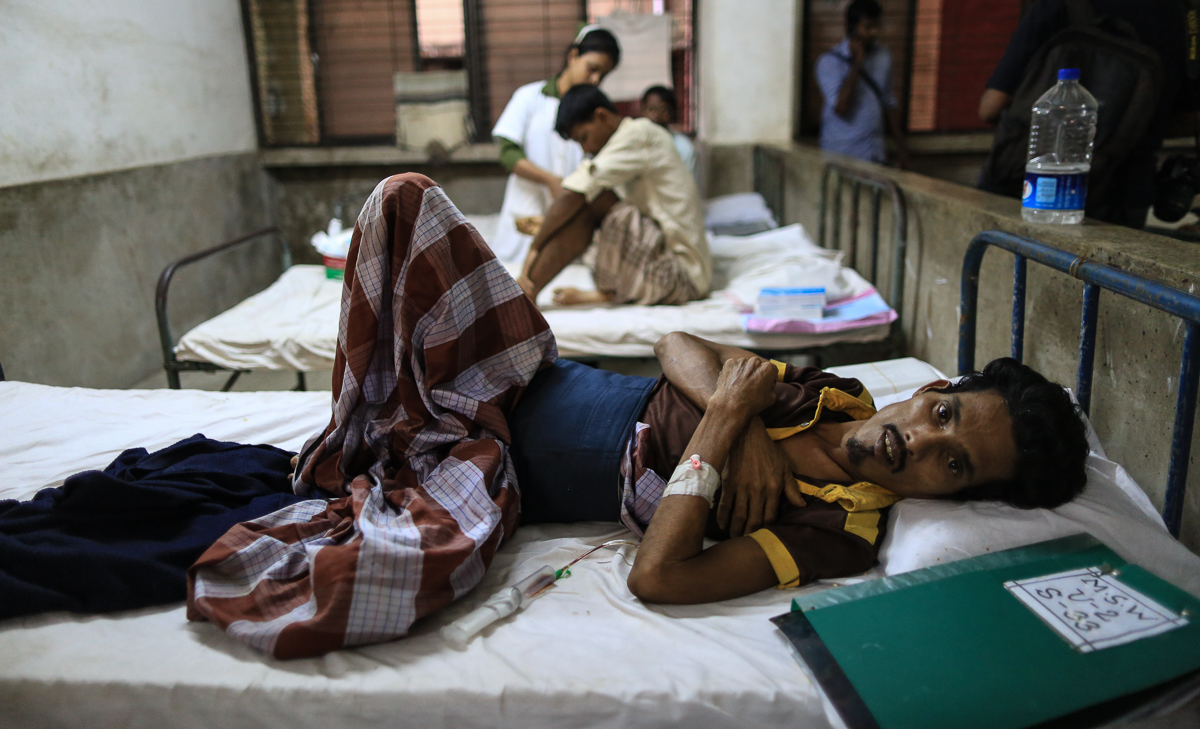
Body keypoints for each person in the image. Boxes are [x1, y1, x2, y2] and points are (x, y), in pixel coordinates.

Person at [187, 172, 1090, 658]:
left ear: (958, 497)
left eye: (952, 463)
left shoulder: (839, 530)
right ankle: (378, 413)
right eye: (941, 412)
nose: (919, 439)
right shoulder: (839, 394)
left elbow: (659, 576)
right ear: (925, 391)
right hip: (524, 376)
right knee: (404, 201)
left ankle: (394, 431)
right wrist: (732, 405)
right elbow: (675, 347)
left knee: (347, 583)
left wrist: (726, 423)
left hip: (496, 464)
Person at [979, 0, 1199, 228]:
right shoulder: (1182, 16)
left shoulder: (1058, 5)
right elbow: (1185, 119)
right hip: (1125, 197)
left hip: (1034, 190)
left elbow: (991, 107)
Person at [515, 85, 711, 308]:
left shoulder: (639, 134)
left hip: (680, 278)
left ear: (602, 116)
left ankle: (524, 295)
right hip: (665, 269)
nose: (585, 148)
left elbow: (575, 192)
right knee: (588, 201)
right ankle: (527, 293)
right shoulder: (628, 146)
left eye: (584, 137)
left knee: (590, 197)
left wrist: (535, 247)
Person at [490, 26, 622, 262]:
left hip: (569, 217)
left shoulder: (597, 114)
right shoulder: (530, 97)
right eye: (592, 69)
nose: (595, 80)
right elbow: (508, 154)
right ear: (573, 56)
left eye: (603, 76)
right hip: (526, 211)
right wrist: (551, 180)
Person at [816, 0, 910, 168]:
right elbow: (841, 108)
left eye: (877, 26)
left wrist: (902, 149)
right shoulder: (829, 62)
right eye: (868, 27)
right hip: (841, 154)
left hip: (874, 152)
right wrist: (857, 65)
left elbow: (888, 102)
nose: (875, 32)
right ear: (852, 28)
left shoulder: (883, 55)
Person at [640, 85, 697, 179]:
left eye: (664, 110)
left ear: (673, 113)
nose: (656, 116)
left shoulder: (683, 148)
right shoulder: (632, 142)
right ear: (642, 111)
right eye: (651, 109)